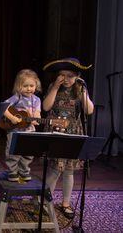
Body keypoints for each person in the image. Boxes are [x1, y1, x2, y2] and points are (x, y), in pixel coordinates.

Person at [42, 57, 94, 219]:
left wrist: (83, 91)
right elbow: (46, 107)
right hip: (56, 132)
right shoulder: (54, 87)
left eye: (70, 75)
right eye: (62, 75)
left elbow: (89, 110)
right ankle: (45, 200)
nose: (66, 79)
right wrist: (55, 87)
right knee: (55, 169)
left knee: (69, 170)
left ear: (77, 76)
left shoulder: (80, 89)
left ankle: (66, 202)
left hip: (73, 132)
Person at [2, 69, 42, 182]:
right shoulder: (17, 97)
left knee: (28, 152)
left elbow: (37, 114)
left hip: (30, 131)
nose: (29, 89)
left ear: (36, 85)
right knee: (13, 152)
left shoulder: (37, 100)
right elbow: (3, 107)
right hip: (15, 131)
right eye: (25, 86)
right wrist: (12, 118)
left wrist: (36, 118)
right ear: (19, 86)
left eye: (31, 85)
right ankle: (13, 172)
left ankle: (24, 171)